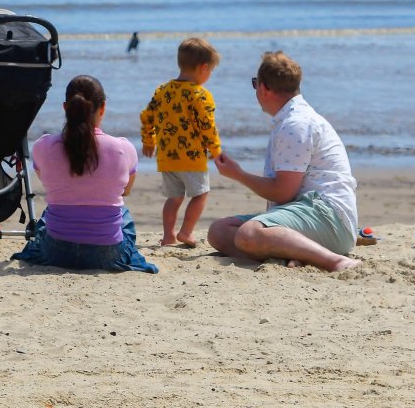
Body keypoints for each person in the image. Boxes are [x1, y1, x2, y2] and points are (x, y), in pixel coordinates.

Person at [208, 51, 361, 271]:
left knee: (248, 233)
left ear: (264, 88)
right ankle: (295, 255)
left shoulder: (296, 123)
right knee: (219, 231)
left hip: (329, 216)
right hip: (308, 213)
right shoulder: (289, 119)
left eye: (255, 84)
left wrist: (238, 174)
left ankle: (335, 261)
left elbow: (283, 193)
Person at [11, 75, 157, 273]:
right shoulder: (123, 149)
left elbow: (46, 180)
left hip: (56, 252)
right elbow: (125, 192)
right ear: (102, 108)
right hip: (107, 253)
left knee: (50, 212)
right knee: (122, 213)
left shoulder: (43, 146)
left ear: (65, 108)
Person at [140, 37, 222, 247]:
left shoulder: (162, 90)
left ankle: (169, 236)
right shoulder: (201, 95)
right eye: (211, 71)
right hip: (192, 158)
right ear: (204, 68)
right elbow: (207, 125)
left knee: (174, 198)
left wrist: (148, 140)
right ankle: (186, 232)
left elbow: (147, 116)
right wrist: (215, 150)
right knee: (201, 194)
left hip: (167, 157)